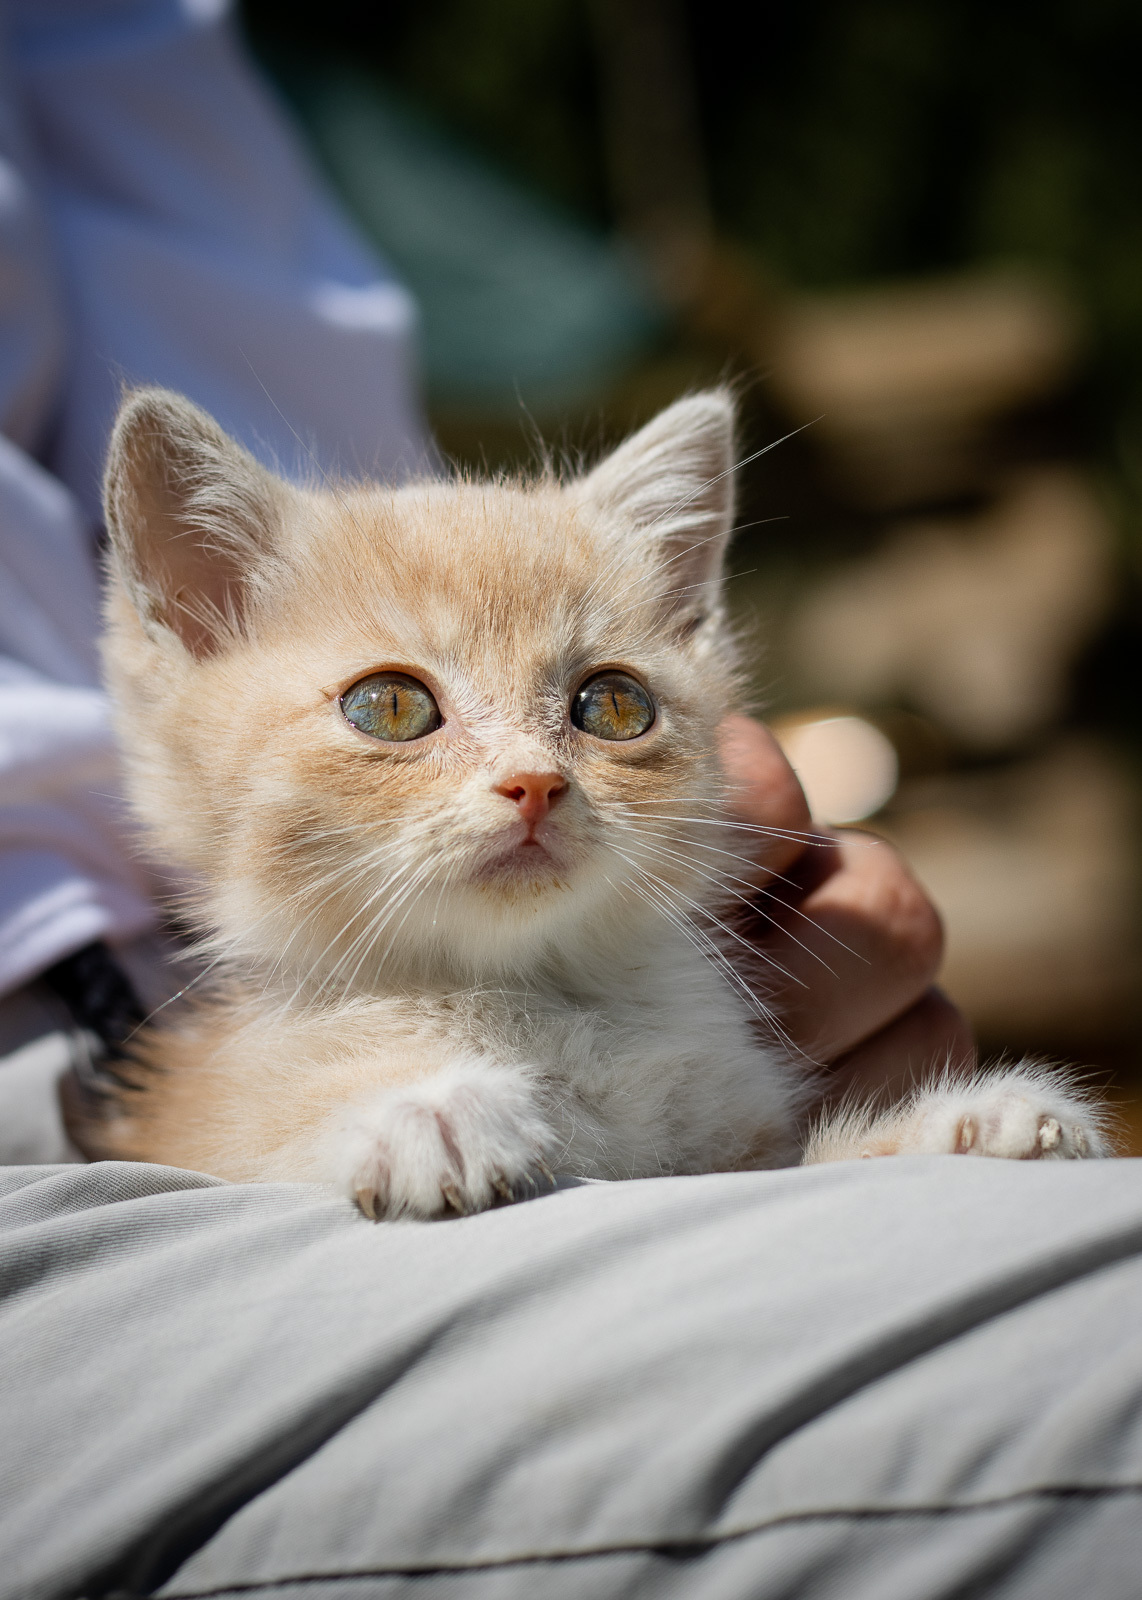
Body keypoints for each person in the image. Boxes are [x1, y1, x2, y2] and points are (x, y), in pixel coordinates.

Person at [2, 5, 1139, 1598]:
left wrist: (872, 1165)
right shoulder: (296, 1060)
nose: (531, 768)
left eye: (606, 705)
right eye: (396, 709)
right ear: (192, 629)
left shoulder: (132, 62)